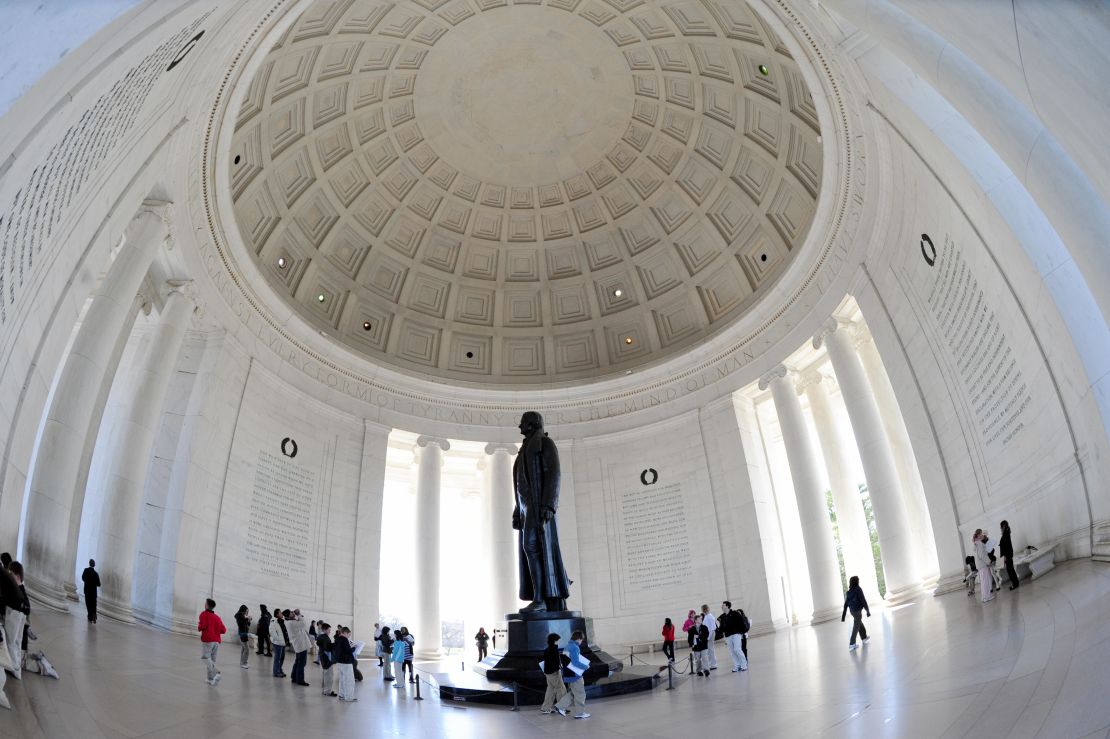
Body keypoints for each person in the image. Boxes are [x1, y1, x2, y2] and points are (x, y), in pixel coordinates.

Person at [512, 411, 572, 613]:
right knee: (529, 548)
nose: (520, 427)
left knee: (534, 547)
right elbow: (519, 484)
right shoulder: (523, 451)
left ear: (532, 423)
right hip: (526, 507)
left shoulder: (545, 443)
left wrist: (548, 505)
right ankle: (539, 598)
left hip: (539, 506)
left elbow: (554, 474)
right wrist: (516, 510)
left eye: (523, 423)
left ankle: (542, 599)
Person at [553, 630, 590, 719]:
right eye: (581, 640)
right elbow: (575, 663)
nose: (581, 642)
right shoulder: (574, 647)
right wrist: (586, 666)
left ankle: (560, 706)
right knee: (580, 693)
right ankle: (580, 713)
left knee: (573, 693)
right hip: (575, 674)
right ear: (579, 639)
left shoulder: (567, 646)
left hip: (569, 674)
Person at [197, 598, 226, 685]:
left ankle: (216, 672)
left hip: (208, 640)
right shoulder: (217, 617)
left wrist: (199, 626)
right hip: (216, 642)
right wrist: (215, 630)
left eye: (205, 603)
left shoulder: (204, 614)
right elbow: (223, 630)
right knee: (211, 661)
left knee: (205, 657)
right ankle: (211, 679)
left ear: (206, 605)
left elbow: (202, 626)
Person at [841, 575, 871, 650]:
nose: (859, 581)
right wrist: (867, 611)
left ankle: (864, 638)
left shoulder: (848, 592)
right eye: (858, 580)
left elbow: (846, 604)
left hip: (852, 611)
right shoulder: (858, 589)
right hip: (857, 611)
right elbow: (863, 600)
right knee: (856, 627)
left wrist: (843, 616)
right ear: (856, 582)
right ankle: (852, 644)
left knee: (859, 623)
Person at [539, 633, 566, 714]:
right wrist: (559, 670)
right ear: (555, 641)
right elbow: (555, 663)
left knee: (550, 690)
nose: (559, 642)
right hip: (555, 673)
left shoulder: (547, 649)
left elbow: (547, 662)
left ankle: (545, 708)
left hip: (547, 673)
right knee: (560, 689)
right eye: (558, 640)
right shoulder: (554, 650)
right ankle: (561, 708)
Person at [720, 601, 748, 672]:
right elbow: (721, 628)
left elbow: (741, 623)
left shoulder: (735, 614)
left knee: (737, 649)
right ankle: (737, 665)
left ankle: (744, 665)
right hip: (728, 636)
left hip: (736, 634)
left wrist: (742, 632)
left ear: (727, 606)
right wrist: (722, 635)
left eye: (723, 605)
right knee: (732, 651)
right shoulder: (722, 617)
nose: (722, 606)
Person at [334, 626, 357, 702]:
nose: (349, 636)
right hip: (346, 662)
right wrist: (354, 647)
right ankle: (349, 697)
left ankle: (342, 695)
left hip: (339, 661)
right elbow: (348, 651)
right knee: (349, 680)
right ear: (345, 632)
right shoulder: (344, 639)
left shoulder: (337, 639)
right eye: (348, 634)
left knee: (342, 679)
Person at [288, 609, 311, 686]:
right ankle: (300, 680)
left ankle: (294, 677)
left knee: (298, 662)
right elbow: (304, 623)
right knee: (302, 663)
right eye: (291, 613)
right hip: (301, 646)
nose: (293, 613)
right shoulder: (292, 623)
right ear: (288, 616)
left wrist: (297, 616)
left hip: (299, 645)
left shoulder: (291, 622)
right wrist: (299, 614)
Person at [973, 530, 995, 603]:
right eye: (981, 534)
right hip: (983, 564)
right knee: (985, 581)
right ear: (978, 535)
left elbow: (981, 554)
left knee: (983, 581)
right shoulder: (979, 544)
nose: (983, 535)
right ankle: (987, 597)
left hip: (980, 565)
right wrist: (989, 561)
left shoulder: (976, 543)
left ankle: (984, 597)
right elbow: (982, 555)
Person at [317, 622, 336, 697]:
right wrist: (335, 644)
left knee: (326, 674)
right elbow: (327, 648)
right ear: (324, 630)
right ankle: (327, 691)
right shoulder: (324, 637)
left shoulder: (321, 637)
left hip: (323, 657)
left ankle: (325, 690)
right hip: (327, 658)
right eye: (329, 630)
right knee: (329, 675)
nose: (330, 631)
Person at [1000, 520, 1020, 591]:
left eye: (1001, 527)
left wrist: (1004, 556)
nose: (1000, 528)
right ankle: (1016, 582)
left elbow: (1005, 545)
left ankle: (1015, 584)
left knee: (1010, 569)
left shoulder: (1005, 533)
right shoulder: (1007, 532)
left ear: (1003, 526)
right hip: (1008, 553)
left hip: (1007, 554)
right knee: (1011, 569)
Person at [270, 608, 289, 677]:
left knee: (282, 657)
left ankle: (279, 669)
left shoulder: (283, 621)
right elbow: (272, 632)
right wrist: (278, 639)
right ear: (277, 614)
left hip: (283, 643)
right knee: (277, 658)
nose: (282, 614)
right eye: (280, 613)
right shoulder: (273, 621)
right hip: (278, 643)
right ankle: (276, 672)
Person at [81, 559, 100, 624]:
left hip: (87, 591)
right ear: (94, 565)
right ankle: (94, 615)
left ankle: (90, 617)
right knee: (93, 605)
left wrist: (87, 581)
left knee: (88, 604)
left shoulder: (86, 570)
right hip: (94, 593)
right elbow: (99, 584)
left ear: (89, 563)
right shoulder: (96, 574)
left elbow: (83, 578)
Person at [700, 604, 718, 670]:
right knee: (710, 650)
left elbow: (710, 629)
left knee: (710, 650)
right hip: (710, 634)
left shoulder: (709, 617)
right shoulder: (708, 616)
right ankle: (712, 664)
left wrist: (707, 638)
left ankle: (713, 665)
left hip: (710, 634)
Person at [234, 604, 251, 669]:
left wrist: (249, 620)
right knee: (247, 649)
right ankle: (244, 663)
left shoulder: (243, 616)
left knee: (244, 648)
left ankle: (242, 662)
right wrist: (247, 619)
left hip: (245, 633)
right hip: (242, 633)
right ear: (243, 610)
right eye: (246, 611)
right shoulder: (239, 615)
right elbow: (240, 624)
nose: (247, 612)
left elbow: (247, 625)